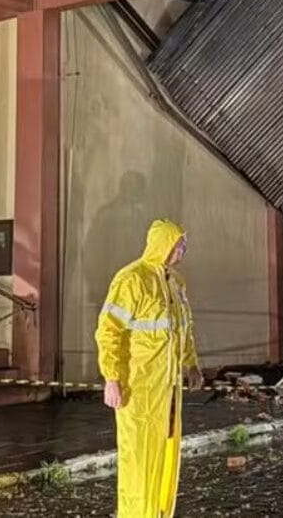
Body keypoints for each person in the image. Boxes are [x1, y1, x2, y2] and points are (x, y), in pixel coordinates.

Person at [95, 219, 201, 518]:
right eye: (179, 244)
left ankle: (160, 513)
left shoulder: (176, 283)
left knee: (166, 457)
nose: (183, 250)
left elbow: (183, 329)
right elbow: (109, 331)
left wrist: (191, 364)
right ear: (163, 244)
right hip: (138, 390)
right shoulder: (132, 280)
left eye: (184, 244)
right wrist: (111, 378)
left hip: (168, 391)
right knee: (139, 460)